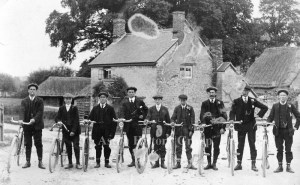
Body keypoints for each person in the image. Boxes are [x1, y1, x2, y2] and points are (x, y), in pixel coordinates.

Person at [229, 84, 268, 171]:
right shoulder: (236, 101)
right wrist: (232, 119)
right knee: (240, 145)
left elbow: (265, 107)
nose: (244, 92)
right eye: (243, 91)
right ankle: (239, 163)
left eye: (246, 91)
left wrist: (258, 116)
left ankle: (253, 164)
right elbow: (232, 112)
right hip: (241, 125)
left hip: (251, 125)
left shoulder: (253, 101)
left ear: (249, 92)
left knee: (252, 144)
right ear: (240, 91)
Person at [267, 89, 300, 173]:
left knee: (288, 149)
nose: (282, 97)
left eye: (284, 95)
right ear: (278, 97)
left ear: (287, 97)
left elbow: (298, 116)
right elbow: (270, 117)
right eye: (281, 95)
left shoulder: (290, 106)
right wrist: (266, 124)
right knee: (279, 149)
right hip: (278, 131)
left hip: (288, 131)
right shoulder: (275, 106)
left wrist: (296, 127)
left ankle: (288, 166)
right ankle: (280, 166)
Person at [200, 87, 227, 170]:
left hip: (217, 128)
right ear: (208, 93)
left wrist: (223, 127)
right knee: (208, 146)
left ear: (215, 94)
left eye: (213, 92)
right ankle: (208, 163)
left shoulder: (220, 103)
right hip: (208, 128)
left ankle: (214, 163)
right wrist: (203, 123)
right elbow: (202, 115)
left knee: (216, 146)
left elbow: (224, 115)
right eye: (210, 92)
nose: (211, 94)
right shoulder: (204, 103)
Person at [120, 87, 148, 167]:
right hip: (128, 125)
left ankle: (138, 160)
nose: (131, 93)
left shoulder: (139, 101)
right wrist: (122, 117)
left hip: (137, 125)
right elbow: (121, 111)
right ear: (127, 93)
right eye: (129, 92)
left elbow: (146, 109)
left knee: (138, 143)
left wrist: (143, 116)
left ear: (135, 93)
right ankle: (133, 160)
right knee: (131, 144)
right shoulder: (124, 102)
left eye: (132, 92)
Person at [19, 83, 45, 169]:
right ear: (28, 90)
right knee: (28, 144)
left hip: (37, 126)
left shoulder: (40, 101)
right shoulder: (24, 101)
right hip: (27, 126)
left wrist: (34, 119)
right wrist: (21, 119)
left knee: (38, 144)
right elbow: (22, 111)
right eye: (31, 89)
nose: (32, 91)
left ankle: (40, 162)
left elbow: (40, 112)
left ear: (36, 91)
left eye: (34, 89)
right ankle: (28, 161)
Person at [89, 92, 117, 168]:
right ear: (99, 99)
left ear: (106, 99)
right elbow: (90, 118)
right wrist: (87, 121)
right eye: (101, 97)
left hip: (106, 131)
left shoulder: (110, 109)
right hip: (97, 131)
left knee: (106, 146)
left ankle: (106, 162)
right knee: (98, 146)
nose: (102, 98)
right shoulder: (95, 108)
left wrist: (112, 133)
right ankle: (97, 162)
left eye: (104, 97)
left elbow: (114, 122)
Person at [55, 93, 82, 169]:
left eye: (69, 99)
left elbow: (76, 120)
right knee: (68, 146)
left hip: (75, 130)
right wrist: (59, 121)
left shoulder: (74, 108)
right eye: (66, 99)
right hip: (65, 130)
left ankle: (78, 163)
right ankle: (70, 163)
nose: (68, 100)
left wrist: (73, 131)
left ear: (71, 100)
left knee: (76, 146)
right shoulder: (61, 108)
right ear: (64, 100)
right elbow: (57, 118)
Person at [145, 94, 171, 169]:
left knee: (162, 146)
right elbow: (148, 116)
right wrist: (147, 120)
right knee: (156, 146)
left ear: (161, 100)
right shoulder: (151, 109)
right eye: (156, 99)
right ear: (154, 100)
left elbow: (168, 121)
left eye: (159, 99)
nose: (157, 101)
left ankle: (162, 162)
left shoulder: (165, 109)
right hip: (154, 130)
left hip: (163, 130)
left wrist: (168, 132)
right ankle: (156, 163)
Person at [171, 94, 196, 170]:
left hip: (187, 130)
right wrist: (172, 122)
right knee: (178, 147)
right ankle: (178, 164)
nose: (183, 102)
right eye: (181, 100)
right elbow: (173, 118)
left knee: (188, 147)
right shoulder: (177, 108)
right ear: (180, 101)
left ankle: (190, 163)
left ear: (186, 100)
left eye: (184, 100)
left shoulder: (190, 108)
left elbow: (192, 120)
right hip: (178, 130)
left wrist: (191, 130)